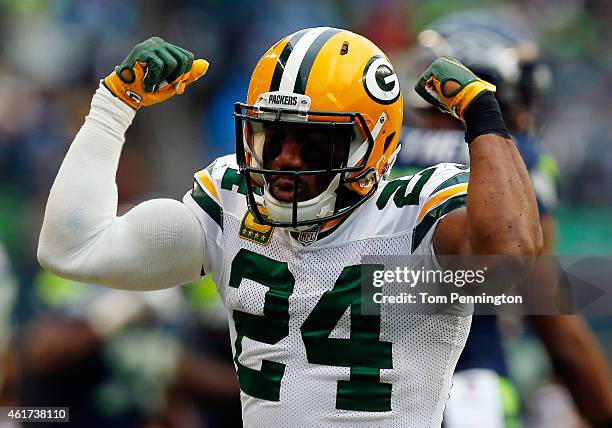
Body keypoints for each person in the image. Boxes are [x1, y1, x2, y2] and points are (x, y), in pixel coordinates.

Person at [38, 28, 541, 427]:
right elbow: (75, 248)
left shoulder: (416, 210)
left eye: (314, 144)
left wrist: (484, 119)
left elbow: (507, 264)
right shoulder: (230, 202)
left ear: (375, 147)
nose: (287, 161)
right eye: (272, 138)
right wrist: (112, 106)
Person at [393, 11, 612, 428]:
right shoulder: (519, 162)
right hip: (466, 385)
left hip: (353, 384)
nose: (526, 114)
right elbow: (555, 328)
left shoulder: (375, 149)